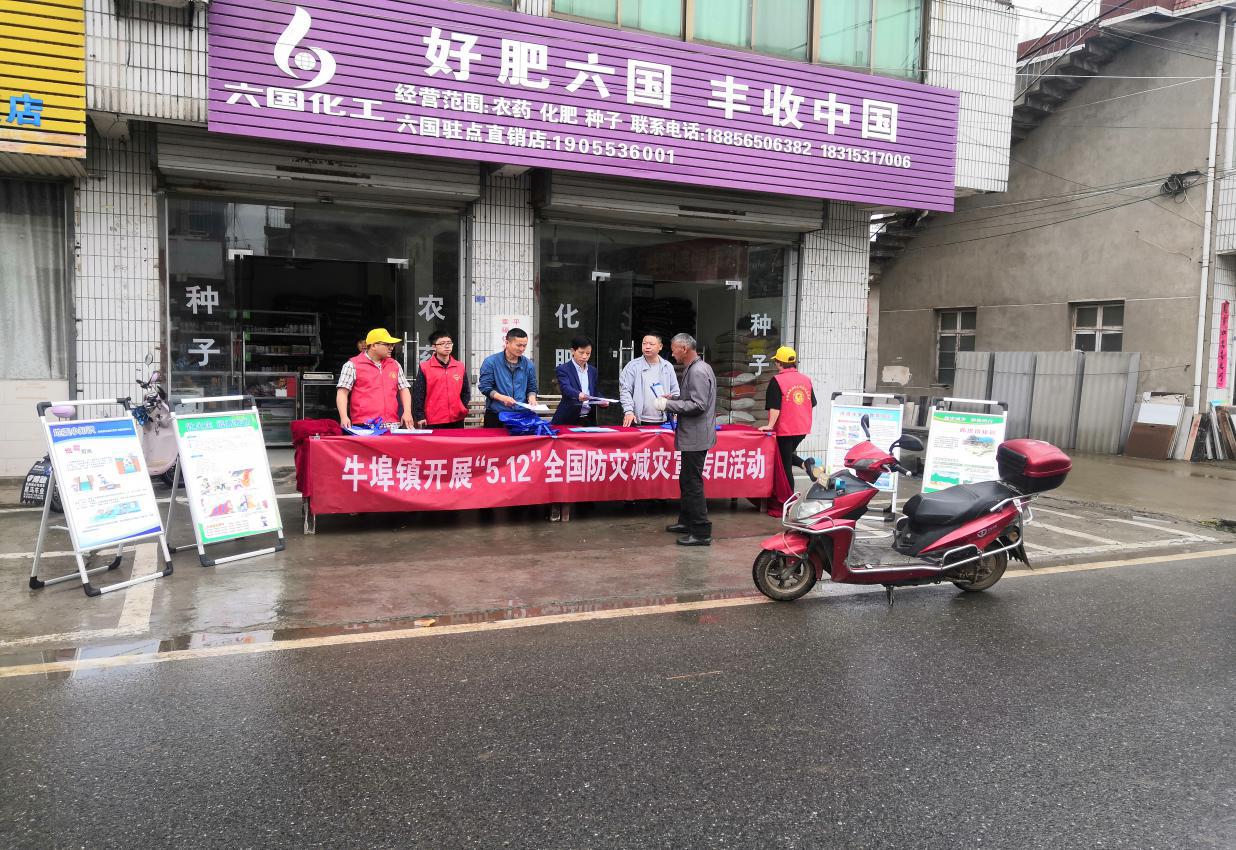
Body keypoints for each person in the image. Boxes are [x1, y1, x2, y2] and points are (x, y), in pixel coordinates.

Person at [654, 333, 717, 546]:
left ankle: (701, 532)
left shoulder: (698, 370)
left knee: (693, 483)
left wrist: (668, 405)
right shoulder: (697, 367)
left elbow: (698, 404)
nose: (672, 353)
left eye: (673, 349)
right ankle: (687, 521)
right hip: (694, 435)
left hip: (696, 436)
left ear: (684, 349)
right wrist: (674, 398)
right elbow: (692, 398)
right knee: (687, 480)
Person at [759, 346, 819, 488]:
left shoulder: (777, 380)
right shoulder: (806, 379)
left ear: (779, 363)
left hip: (785, 430)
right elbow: (813, 403)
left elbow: (775, 407)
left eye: (776, 361)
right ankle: (805, 464)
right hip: (802, 429)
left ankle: (788, 497)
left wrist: (770, 425)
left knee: (784, 465)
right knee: (782, 454)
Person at [336, 328, 414, 430]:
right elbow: (342, 392)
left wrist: (407, 412)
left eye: (392, 345)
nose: (391, 348)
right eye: (387, 344)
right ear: (373, 346)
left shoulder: (394, 364)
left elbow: (404, 389)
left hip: (392, 424)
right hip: (364, 424)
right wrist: (344, 416)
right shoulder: (352, 365)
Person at [478, 327, 538, 429]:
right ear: (507, 343)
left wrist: (532, 397)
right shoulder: (491, 362)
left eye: (524, 345)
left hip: (522, 415)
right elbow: (485, 387)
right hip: (497, 415)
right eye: (518, 345)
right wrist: (502, 398)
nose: (522, 349)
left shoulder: (529, 364)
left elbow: (532, 387)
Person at [412, 330, 470, 429]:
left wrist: (462, 407)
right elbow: (418, 394)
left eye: (449, 343)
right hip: (433, 419)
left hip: (457, 418)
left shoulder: (459, 366)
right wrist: (420, 416)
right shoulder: (425, 367)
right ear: (434, 347)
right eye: (442, 343)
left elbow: (465, 391)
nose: (447, 346)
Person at [619, 333, 680, 427]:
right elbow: (625, 390)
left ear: (660, 347)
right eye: (644, 343)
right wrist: (628, 411)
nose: (647, 347)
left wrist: (675, 411)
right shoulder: (633, 366)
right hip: (638, 420)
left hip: (664, 420)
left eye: (651, 344)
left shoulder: (667, 366)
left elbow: (675, 392)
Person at [551, 335, 606, 426]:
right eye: (581, 353)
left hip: (588, 419)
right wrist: (578, 394)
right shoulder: (563, 369)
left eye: (588, 353)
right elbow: (565, 388)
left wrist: (601, 400)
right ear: (573, 351)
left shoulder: (592, 371)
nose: (585, 356)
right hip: (568, 418)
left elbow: (593, 391)